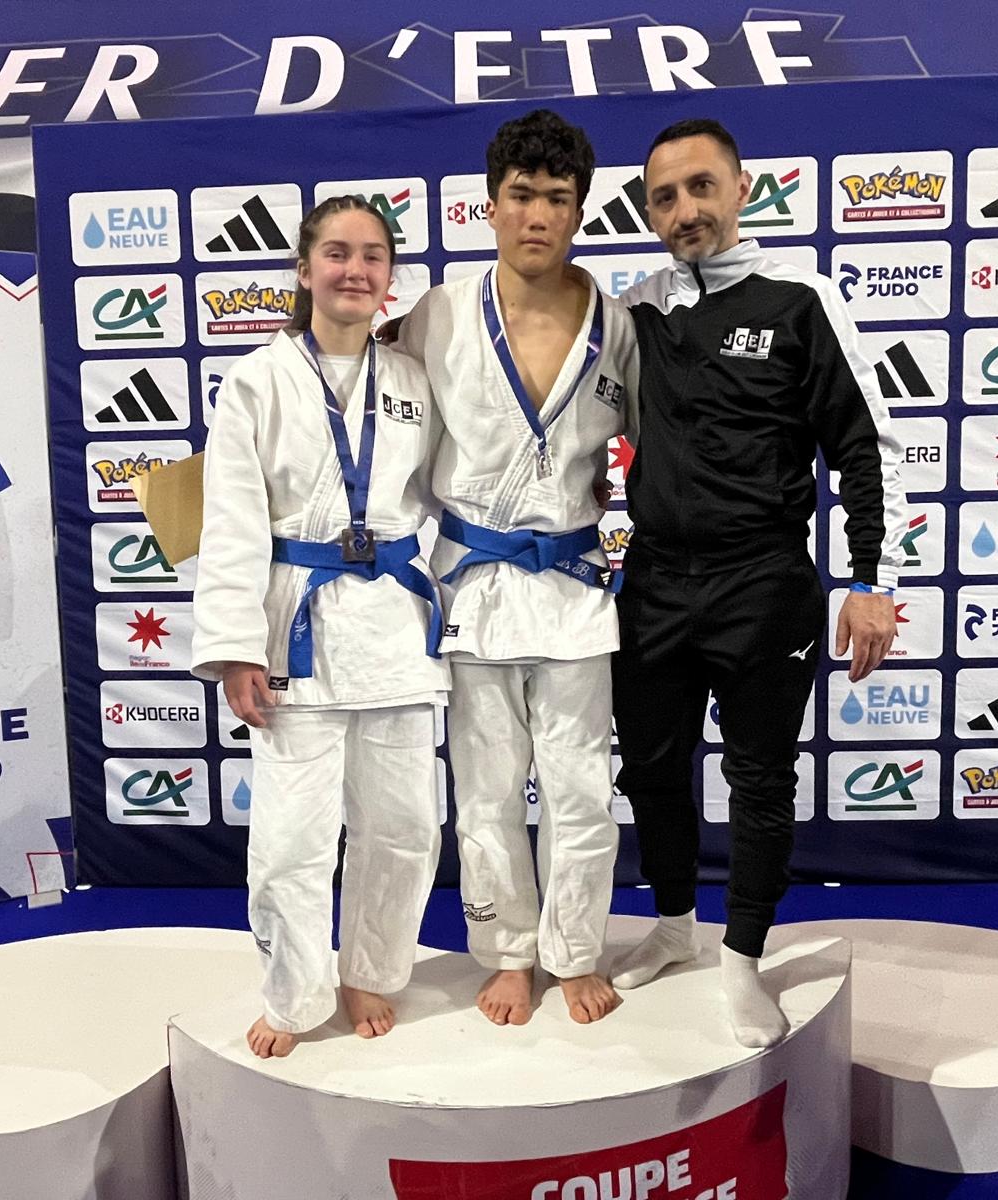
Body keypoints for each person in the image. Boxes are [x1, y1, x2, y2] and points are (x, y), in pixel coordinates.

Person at [609, 118, 906, 1047]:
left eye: (702, 187)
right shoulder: (633, 312)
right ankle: (673, 926)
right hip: (654, 580)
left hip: (763, 582)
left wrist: (871, 580)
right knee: (651, 768)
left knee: (760, 779)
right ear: (649, 212)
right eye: (664, 197)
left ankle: (743, 957)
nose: (685, 210)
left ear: (742, 189)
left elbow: (864, 447)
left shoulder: (800, 297)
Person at [394, 110, 640, 1026]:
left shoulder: (619, 326)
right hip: (473, 583)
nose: (539, 215)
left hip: (575, 585)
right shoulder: (438, 315)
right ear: (489, 206)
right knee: (488, 789)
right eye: (522, 195)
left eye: (558, 199)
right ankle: (506, 953)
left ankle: (574, 950)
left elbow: (660, 447)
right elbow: (376, 426)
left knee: (581, 788)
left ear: (580, 211)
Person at [191, 195, 448, 1059]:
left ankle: (372, 969)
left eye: (372, 255)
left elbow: (452, 487)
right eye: (336, 253)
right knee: (291, 841)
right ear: (304, 271)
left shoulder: (412, 381)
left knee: (403, 827)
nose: (354, 270)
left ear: (389, 277)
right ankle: (296, 993)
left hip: (395, 628)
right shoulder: (257, 380)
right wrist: (235, 650)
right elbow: (231, 520)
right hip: (296, 628)